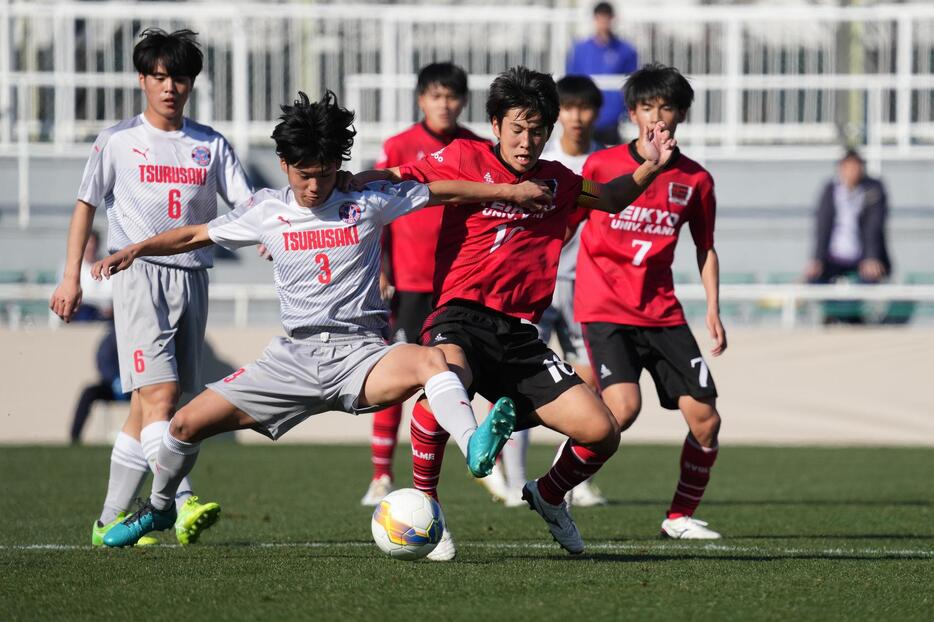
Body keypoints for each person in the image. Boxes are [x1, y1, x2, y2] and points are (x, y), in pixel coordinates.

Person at [92, 90, 552, 549]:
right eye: (305, 175)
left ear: (339, 165)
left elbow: (440, 191)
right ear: (283, 163)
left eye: (327, 173)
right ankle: (158, 508)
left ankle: (473, 445)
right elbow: (195, 234)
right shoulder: (267, 210)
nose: (315, 186)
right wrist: (135, 248)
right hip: (291, 361)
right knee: (182, 426)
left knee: (434, 361)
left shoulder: (366, 200)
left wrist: (508, 191)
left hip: (362, 357)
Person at [359, 66, 675, 558]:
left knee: (602, 431)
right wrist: (339, 187)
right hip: (459, 315)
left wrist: (649, 166)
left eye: (536, 131)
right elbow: (397, 177)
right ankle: (429, 508)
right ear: (495, 126)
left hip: (519, 333)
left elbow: (612, 198)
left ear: (549, 132)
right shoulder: (464, 156)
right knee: (445, 382)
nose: (526, 141)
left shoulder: (559, 181)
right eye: (516, 129)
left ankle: (548, 496)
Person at [49, 28, 255, 547]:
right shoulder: (117, 140)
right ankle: (180, 505)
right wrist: (71, 275)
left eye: (179, 78)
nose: (169, 88)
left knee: (150, 408)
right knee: (162, 397)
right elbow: (86, 206)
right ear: (142, 79)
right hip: (138, 278)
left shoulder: (210, 144)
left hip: (193, 277)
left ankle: (108, 522)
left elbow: (247, 205)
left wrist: (272, 236)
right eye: (159, 77)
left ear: (192, 84)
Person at [576, 63, 726, 539]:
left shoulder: (696, 180)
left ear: (681, 113)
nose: (656, 116)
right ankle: (555, 487)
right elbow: (564, 225)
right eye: (646, 107)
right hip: (604, 307)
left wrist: (714, 310)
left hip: (661, 312)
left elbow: (705, 247)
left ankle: (678, 518)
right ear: (632, 113)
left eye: (666, 107)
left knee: (705, 418)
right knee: (622, 410)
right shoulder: (601, 166)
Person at [362, 62, 490, 507]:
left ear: (463, 101)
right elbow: (377, 207)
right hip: (411, 282)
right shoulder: (400, 146)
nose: (444, 104)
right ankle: (381, 474)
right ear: (421, 100)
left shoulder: (479, 148)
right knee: (396, 376)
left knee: (462, 373)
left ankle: (481, 460)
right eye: (436, 95)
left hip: (460, 281)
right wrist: (380, 269)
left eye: (452, 96)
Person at [488, 75, 607, 508]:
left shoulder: (602, 162)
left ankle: (571, 479)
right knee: (521, 383)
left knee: (586, 383)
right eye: (570, 107)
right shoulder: (538, 158)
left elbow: (612, 205)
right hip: (535, 287)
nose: (578, 116)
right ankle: (516, 480)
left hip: (584, 287)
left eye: (585, 107)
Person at [804, 149, 891, 324]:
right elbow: (822, 226)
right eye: (848, 168)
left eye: (856, 167)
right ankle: (838, 314)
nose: (852, 172)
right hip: (833, 257)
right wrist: (816, 259)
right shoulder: (830, 190)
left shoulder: (873, 189)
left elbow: (874, 227)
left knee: (868, 280)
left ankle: (848, 317)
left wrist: (872, 257)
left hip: (862, 257)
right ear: (840, 169)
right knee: (814, 280)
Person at [566, 2, 639, 145]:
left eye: (607, 18)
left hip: (612, 118)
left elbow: (632, 82)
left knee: (610, 159)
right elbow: (572, 81)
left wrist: (624, 111)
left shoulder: (626, 50)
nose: (603, 22)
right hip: (585, 114)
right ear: (594, 19)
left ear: (613, 19)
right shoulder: (581, 49)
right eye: (600, 18)